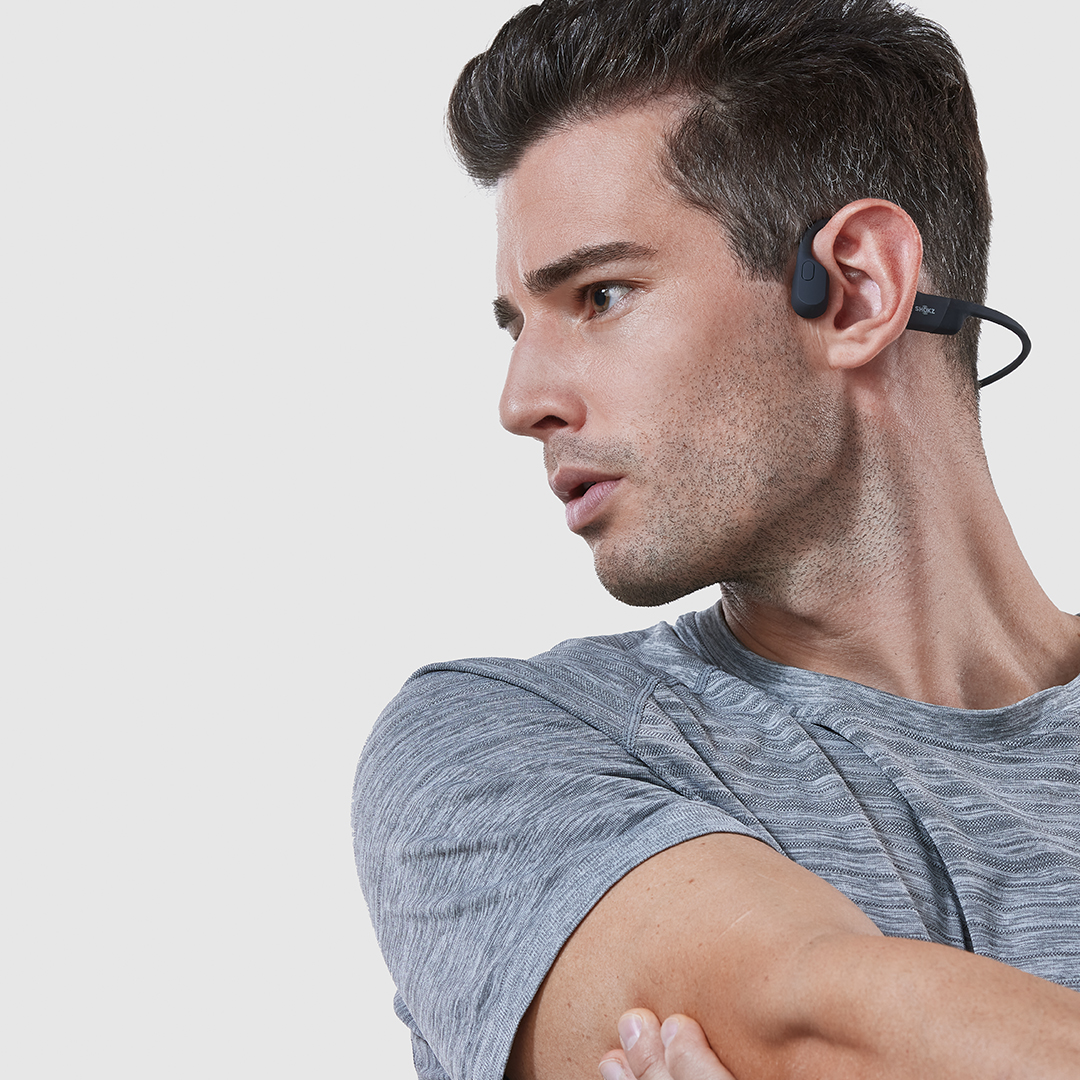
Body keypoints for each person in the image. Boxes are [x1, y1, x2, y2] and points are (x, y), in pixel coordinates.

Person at [353, 1, 1080, 1078]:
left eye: (601, 294)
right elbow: (816, 1030)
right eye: (518, 323)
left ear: (856, 290)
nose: (521, 401)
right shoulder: (502, 753)